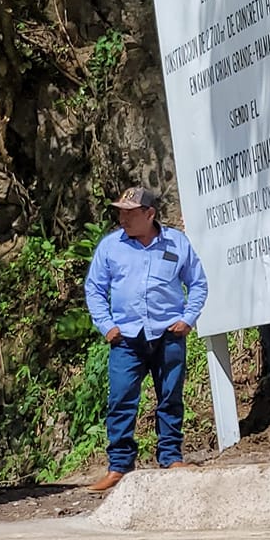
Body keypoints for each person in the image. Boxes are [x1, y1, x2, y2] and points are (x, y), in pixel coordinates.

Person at [82, 187, 208, 491]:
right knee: (121, 399)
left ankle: (170, 456)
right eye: (120, 211)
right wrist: (106, 325)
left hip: (168, 333)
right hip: (126, 337)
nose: (122, 217)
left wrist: (187, 319)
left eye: (129, 212)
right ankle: (119, 466)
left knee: (170, 397)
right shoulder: (111, 247)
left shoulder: (177, 243)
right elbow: (95, 289)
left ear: (149, 214)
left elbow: (198, 284)